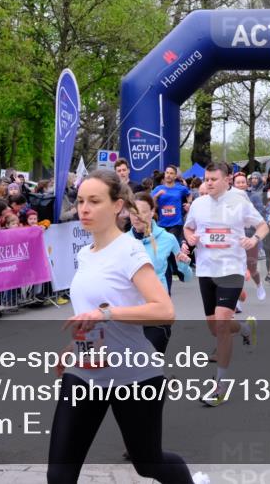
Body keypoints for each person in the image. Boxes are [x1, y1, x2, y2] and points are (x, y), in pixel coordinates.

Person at [47, 170, 204, 484]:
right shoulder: (84, 254)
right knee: (60, 474)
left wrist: (107, 315)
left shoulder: (130, 251)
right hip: (85, 372)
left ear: (118, 206)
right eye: (80, 201)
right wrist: (73, 348)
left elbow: (164, 310)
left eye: (94, 201)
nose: (84, 209)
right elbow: (88, 313)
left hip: (134, 374)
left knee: (149, 463)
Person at [179, 161, 268, 407]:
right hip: (206, 270)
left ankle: (220, 386)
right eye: (206, 179)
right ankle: (245, 329)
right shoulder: (198, 203)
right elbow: (188, 229)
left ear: (227, 179)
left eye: (213, 179)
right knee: (215, 327)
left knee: (219, 325)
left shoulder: (240, 202)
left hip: (231, 269)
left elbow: (263, 225)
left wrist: (255, 239)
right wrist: (191, 238)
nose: (208, 183)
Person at [129, 192, 183, 354]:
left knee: (149, 363)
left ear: (152, 212)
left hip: (157, 311)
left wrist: (184, 263)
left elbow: (185, 275)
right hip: (130, 312)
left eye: (142, 212)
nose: (137, 217)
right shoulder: (122, 242)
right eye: (133, 213)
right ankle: (165, 380)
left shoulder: (167, 239)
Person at [151, 165, 191, 285]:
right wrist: (157, 196)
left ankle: (177, 270)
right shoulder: (158, 188)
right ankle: (172, 271)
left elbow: (189, 194)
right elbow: (151, 204)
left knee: (171, 245)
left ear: (175, 176)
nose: (168, 175)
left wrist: (188, 203)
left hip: (176, 222)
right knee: (165, 248)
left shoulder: (180, 188)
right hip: (162, 223)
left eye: (171, 173)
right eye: (167, 173)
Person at [233, 172, 266, 300]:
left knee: (252, 268)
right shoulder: (229, 199)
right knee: (236, 269)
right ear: (233, 185)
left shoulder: (254, 197)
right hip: (235, 238)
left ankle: (259, 284)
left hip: (251, 236)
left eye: (243, 182)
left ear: (246, 184)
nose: (241, 185)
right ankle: (236, 300)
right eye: (238, 183)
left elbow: (260, 219)